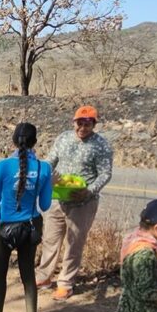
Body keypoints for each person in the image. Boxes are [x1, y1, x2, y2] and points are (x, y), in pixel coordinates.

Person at [0, 123, 53, 312]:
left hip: (4, 227)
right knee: (28, 276)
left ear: (12, 141)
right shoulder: (44, 168)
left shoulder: (2, 166)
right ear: (35, 143)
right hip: (30, 228)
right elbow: (46, 205)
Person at [35, 105, 114, 301]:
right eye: (80, 123)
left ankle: (65, 283)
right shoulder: (63, 138)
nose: (83, 127)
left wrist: (89, 191)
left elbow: (105, 174)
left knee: (74, 243)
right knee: (50, 239)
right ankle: (44, 277)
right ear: (74, 122)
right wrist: (44, 175)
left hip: (83, 202)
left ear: (94, 124)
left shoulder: (101, 145)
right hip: (58, 197)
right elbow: (50, 160)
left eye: (88, 124)